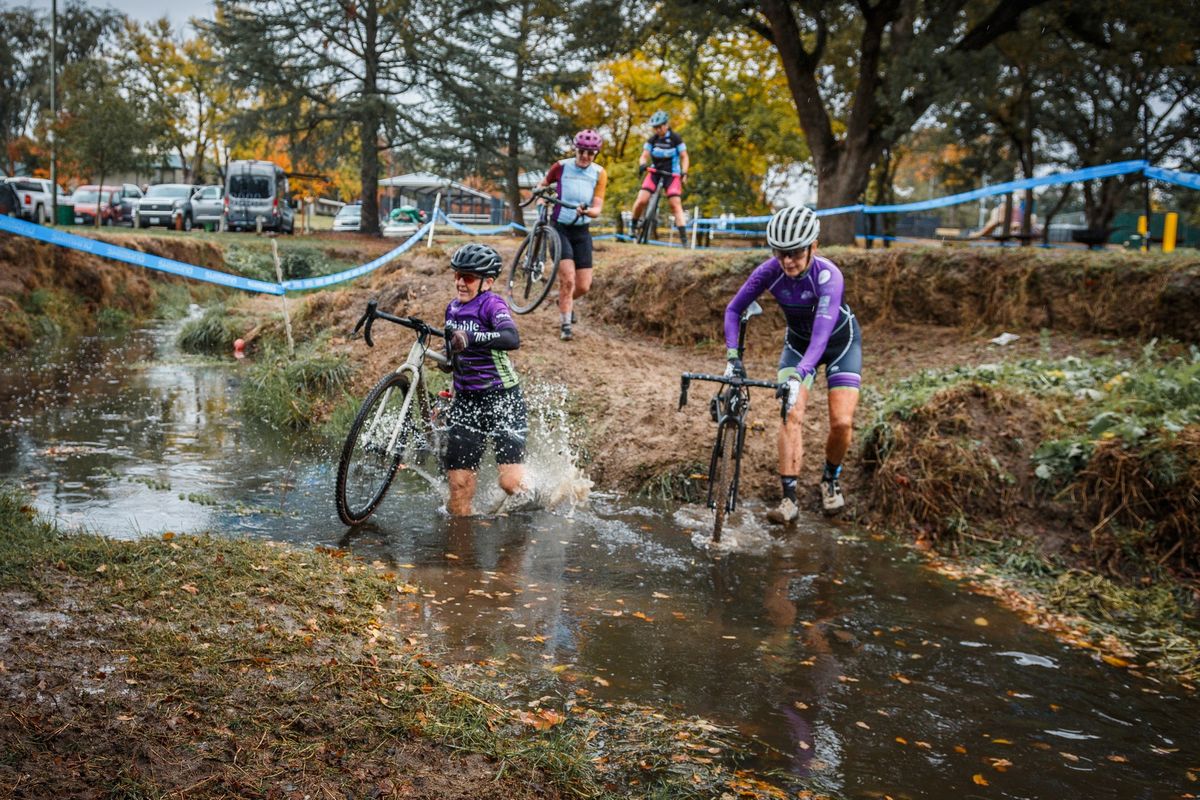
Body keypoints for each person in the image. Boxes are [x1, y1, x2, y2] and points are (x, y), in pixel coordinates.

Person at [723, 205, 862, 523]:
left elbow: (822, 334)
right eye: (781, 252)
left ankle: (830, 479)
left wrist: (800, 375)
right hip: (798, 345)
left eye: (796, 252)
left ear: (813, 246)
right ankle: (789, 499)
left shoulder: (829, 276)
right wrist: (733, 359)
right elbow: (733, 310)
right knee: (791, 411)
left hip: (839, 343)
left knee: (841, 422)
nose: (787, 261)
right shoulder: (769, 271)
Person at [442, 243, 531, 516]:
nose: (460, 282)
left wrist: (473, 338)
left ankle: (534, 501)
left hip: (502, 398)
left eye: (467, 277)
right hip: (467, 402)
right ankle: (460, 554)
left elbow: (511, 338)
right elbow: (452, 361)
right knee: (458, 486)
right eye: (457, 275)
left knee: (510, 482)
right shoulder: (452, 310)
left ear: (487, 282)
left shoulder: (492, 304)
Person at [536, 129, 607, 341]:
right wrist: (542, 199)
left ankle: (565, 302)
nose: (585, 156)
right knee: (567, 279)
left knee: (583, 286)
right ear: (575, 149)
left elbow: (597, 208)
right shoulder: (561, 167)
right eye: (581, 151)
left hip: (582, 230)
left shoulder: (599, 173)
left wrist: (587, 211)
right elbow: (542, 186)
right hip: (560, 228)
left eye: (590, 153)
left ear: (595, 155)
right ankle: (566, 325)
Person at [630, 110, 689, 243]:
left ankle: (684, 239)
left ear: (666, 125)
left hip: (672, 174)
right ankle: (633, 226)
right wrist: (643, 164)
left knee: (675, 204)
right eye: (655, 127)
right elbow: (644, 155)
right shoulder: (653, 140)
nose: (657, 130)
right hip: (654, 172)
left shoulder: (675, 138)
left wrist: (684, 172)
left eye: (659, 126)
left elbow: (684, 156)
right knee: (641, 200)